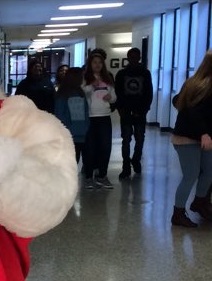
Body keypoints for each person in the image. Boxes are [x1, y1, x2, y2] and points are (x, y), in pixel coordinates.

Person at [169, 50, 212, 228]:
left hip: (204, 137)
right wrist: (204, 133)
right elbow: (191, 110)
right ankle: (178, 213)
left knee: (209, 172)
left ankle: (200, 201)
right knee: (191, 175)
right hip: (187, 138)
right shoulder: (200, 84)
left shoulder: (195, 83)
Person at [115, 47, 154, 179]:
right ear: (128, 57)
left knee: (140, 138)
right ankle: (126, 166)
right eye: (131, 57)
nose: (133, 59)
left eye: (136, 57)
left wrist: (144, 110)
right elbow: (118, 93)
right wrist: (120, 109)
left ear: (139, 58)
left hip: (140, 112)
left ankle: (136, 159)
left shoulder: (145, 73)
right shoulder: (121, 74)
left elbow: (149, 93)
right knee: (126, 139)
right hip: (125, 111)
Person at [81, 48, 116, 189]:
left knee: (105, 147)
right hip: (90, 117)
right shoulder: (85, 79)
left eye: (100, 63)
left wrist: (111, 98)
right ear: (90, 64)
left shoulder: (107, 79)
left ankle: (102, 176)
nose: (97, 65)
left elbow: (114, 96)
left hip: (104, 117)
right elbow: (81, 93)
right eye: (94, 62)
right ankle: (89, 177)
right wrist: (91, 86)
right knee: (89, 148)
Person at [54, 66, 89, 165]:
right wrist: (68, 129)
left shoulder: (80, 92)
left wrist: (85, 127)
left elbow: (86, 112)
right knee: (69, 162)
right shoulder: (63, 94)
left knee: (75, 161)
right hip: (69, 135)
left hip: (80, 133)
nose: (83, 79)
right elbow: (60, 115)